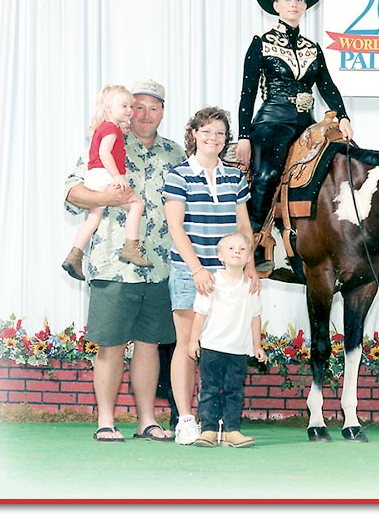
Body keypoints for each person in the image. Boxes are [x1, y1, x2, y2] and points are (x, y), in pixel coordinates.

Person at [64, 79, 185, 442]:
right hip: (112, 263)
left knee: (149, 346)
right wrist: (110, 197)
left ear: (162, 112)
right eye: (137, 106)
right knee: (111, 345)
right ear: (127, 109)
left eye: (153, 108)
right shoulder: (110, 139)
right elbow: (72, 192)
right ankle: (106, 421)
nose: (143, 114)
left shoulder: (175, 153)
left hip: (158, 266)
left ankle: (147, 420)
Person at [235, 0, 355, 271]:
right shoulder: (261, 44)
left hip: (307, 122)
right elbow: (248, 93)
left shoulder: (312, 47)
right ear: (276, 5)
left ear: (305, 6)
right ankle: (255, 242)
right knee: (267, 174)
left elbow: (327, 86)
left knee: (341, 163)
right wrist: (244, 135)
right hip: (273, 120)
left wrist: (343, 116)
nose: (294, 4)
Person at [163, 107, 261, 445]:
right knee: (187, 345)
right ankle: (185, 420)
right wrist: (197, 269)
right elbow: (175, 226)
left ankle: (223, 424)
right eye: (205, 131)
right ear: (193, 134)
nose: (212, 138)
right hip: (190, 271)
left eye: (219, 133)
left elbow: (244, 226)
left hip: (228, 276)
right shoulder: (178, 175)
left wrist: (250, 267)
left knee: (223, 345)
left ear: (226, 139)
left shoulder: (234, 177)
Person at [62, 85, 153, 280]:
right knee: (136, 205)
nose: (129, 110)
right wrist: (117, 176)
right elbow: (105, 153)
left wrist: (122, 129)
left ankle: (74, 255)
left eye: (131, 106)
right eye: (124, 106)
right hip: (105, 176)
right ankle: (131, 247)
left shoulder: (106, 127)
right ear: (109, 108)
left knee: (93, 218)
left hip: (94, 177)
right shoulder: (111, 130)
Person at [188, 233, 268, 448]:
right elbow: (200, 313)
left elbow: (255, 317)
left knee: (234, 391)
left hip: (238, 350)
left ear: (249, 257)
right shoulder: (212, 282)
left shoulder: (251, 286)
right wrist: (193, 340)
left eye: (242, 249)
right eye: (231, 248)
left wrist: (257, 346)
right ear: (220, 255)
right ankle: (208, 430)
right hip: (211, 347)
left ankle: (231, 430)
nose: (237, 252)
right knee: (210, 389)